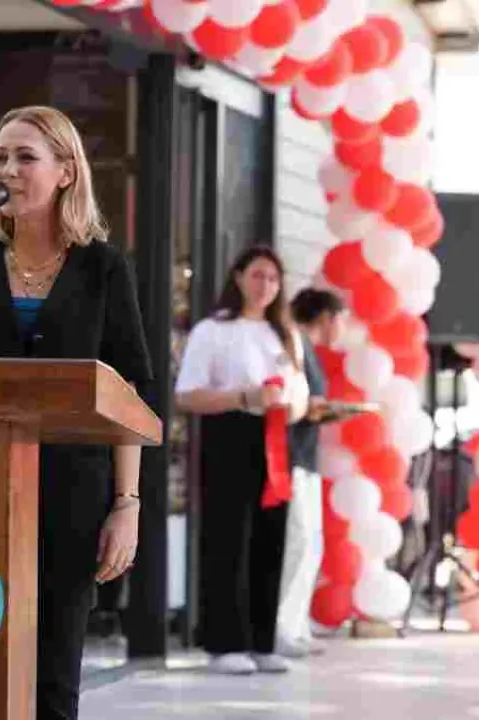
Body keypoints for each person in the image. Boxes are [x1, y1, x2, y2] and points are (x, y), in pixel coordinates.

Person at [0, 105, 153, 720]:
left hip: (73, 491)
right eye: (0, 157)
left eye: (25, 157)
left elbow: (128, 393)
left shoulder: (102, 266)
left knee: (54, 677)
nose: (7, 169)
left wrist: (127, 504)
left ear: (66, 172)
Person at [173, 246, 309, 675]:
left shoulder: (285, 334)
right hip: (229, 434)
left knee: (272, 537)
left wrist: (288, 405)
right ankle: (224, 642)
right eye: (257, 275)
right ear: (238, 277)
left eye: (273, 278)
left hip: (276, 437)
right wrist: (243, 397)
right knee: (228, 537)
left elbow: (300, 394)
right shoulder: (213, 330)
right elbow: (187, 395)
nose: (265, 285)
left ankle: (262, 640)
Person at [274, 288, 343, 659]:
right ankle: (279, 627)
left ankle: (296, 624)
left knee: (310, 544)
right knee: (297, 543)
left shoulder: (307, 349)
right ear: (326, 317)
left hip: (306, 457)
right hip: (291, 457)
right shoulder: (295, 344)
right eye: (339, 319)